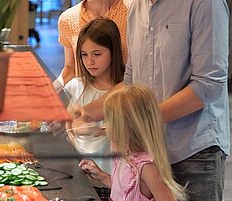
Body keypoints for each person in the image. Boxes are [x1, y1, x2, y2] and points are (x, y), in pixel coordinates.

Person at [75, 0, 230, 200]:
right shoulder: (136, 8)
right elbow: (131, 80)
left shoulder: (204, 4)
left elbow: (208, 85)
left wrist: (136, 122)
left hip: (192, 150)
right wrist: (85, 113)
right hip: (149, 146)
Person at [79, 85, 188, 201]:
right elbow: (122, 191)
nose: (106, 126)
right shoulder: (122, 154)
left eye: (111, 121)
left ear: (129, 126)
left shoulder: (146, 168)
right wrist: (101, 176)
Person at [63, 18, 125, 174]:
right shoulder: (74, 87)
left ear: (114, 51)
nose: (89, 61)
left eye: (97, 54)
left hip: (115, 181)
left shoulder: (127, 94)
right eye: (84, 55)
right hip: (80, 177)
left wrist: (102, 131)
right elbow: (67, 129)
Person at [52, 0, 130, 93]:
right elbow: (70, 69)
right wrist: (49, 93)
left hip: (124, 95)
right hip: (85, 94)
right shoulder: (67, 19)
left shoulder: (132, 11)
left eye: (97, 54)